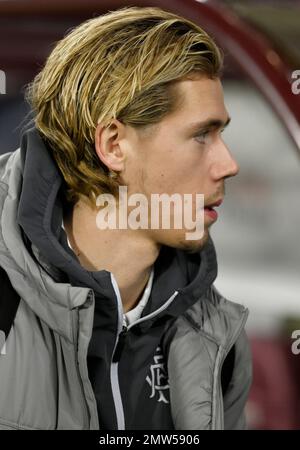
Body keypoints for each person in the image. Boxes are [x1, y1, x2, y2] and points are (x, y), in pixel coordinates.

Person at [0, 6, 252, 430]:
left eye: (221, 134)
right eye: (200, 135)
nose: (229, 164)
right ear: (114, 145)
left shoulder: (220, 337)